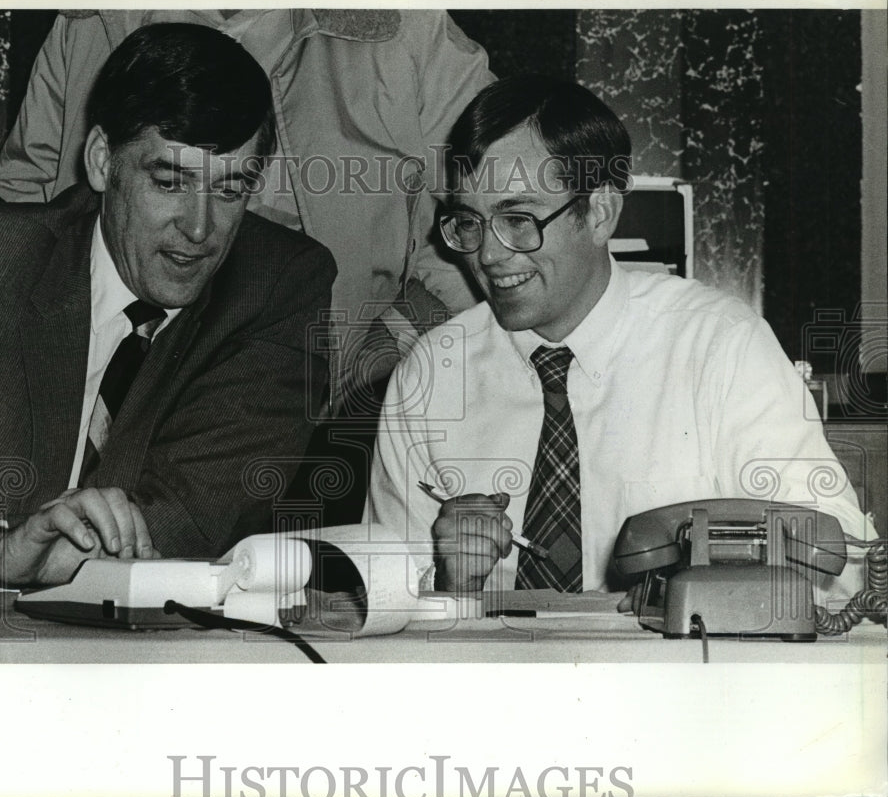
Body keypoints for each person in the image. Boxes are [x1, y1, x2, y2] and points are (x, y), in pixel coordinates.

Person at [364, 75, 874, 602]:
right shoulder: (429, 375)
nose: (488, 256)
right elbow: (382, 605)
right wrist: (450, 585)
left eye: (518, 219)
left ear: (601, 212)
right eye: (469, 222)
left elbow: (845, 568)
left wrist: (703, 578)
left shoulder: (721, 344)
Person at [0, 24, 336, 588]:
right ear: (102, 161)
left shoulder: (278, 287)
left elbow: (194, 515)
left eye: (229, 191)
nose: (200, 229)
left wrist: (53, 552)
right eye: (170, 182)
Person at [0, 9, 495, 412]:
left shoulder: (408, 32)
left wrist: (376, 357)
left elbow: (501, 208)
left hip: (322, 405)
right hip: (93, 391)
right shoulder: (90, 20)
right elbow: (28, 197)